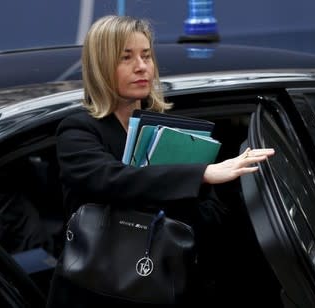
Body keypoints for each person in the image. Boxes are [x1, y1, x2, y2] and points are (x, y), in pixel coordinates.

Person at [46, 15, 275, 307]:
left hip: (161, 284)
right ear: (101, 65)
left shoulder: (170, 131)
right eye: (125, 57)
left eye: (146, 56)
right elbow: (111, 179)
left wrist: (210, 187)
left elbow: (206, 215)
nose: (142, 67)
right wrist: (201, 174)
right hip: (95, 291)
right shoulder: (78, 130)